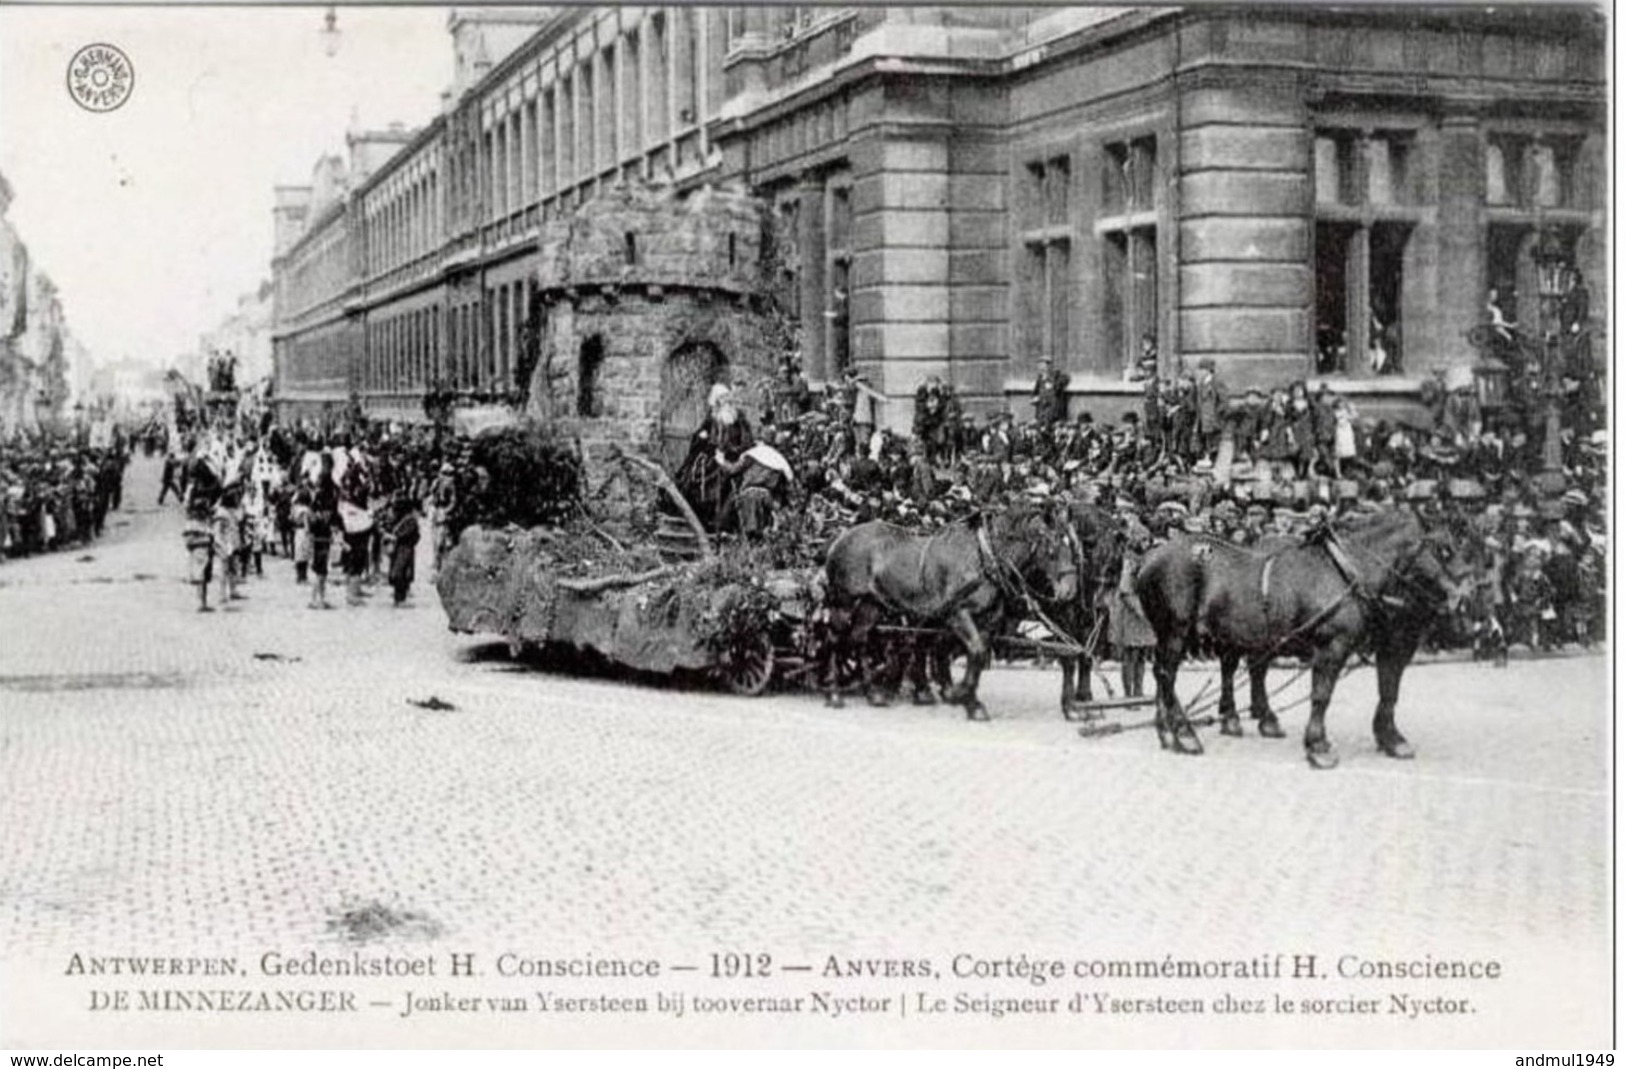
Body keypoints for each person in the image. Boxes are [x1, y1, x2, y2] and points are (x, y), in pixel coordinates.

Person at [385, 490, 421, 606]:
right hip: (406, 547)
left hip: (396, 547)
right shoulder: (411, 520)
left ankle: (398, 596)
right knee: (403, 571)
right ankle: (400, 598)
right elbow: (416, 535)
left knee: (397, 569)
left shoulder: (394, 517)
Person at [1032, 356, 1070, 428]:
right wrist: (1035, 399)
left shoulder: (1057, 377)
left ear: (1049, 366)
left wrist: (1052, 384)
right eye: (1041, 368)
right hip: (1041, 414)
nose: (1042, 370)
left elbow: (1064, 381)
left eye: (1044, 367)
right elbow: (1034, 394)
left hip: (1054, 415)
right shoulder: (1040, 380)